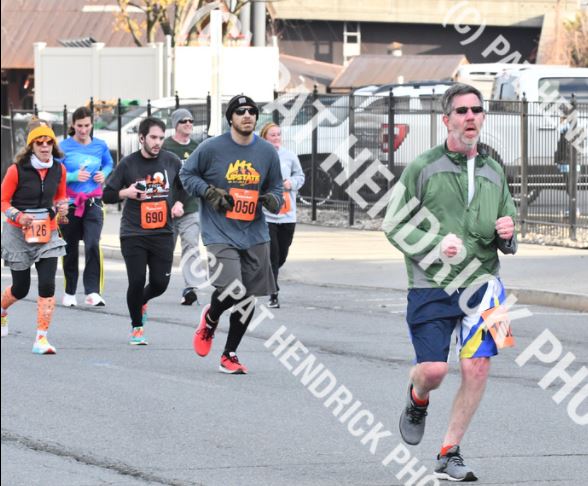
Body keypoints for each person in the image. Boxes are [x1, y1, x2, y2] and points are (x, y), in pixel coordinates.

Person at [382, 83, 517, 482]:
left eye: (476, 110)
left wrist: (508, 233)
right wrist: (436, 245)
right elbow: (393, 224)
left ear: (483, 117)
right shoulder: (422, 166)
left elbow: (508, 229)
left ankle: (449, 452)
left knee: (478, 368)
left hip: (486, 284)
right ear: (446, 120)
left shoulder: (494, 170)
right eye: (461, 111)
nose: (470, 116)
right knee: (434, 371)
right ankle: (417, 397)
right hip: (431, 282)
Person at [180, 95, 283, 374]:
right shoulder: (211, 148)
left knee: (248, 297)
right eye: (240, 111)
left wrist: (272, 199)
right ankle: (211, 318)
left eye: (251, 111)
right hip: (219, 231)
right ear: (231, 119)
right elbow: (187, 175)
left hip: (255, 232)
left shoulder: (266, 152)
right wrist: (209, 192)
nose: (247, 115)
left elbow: (276, 187)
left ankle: (230, 354)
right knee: (232, 287)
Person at [103, 117, 185, 345]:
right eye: (153, 137)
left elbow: (185, 186)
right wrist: (125, 193)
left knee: (160, 284)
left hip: (163, 233)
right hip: (134, 233)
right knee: (137, 280)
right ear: (141, 138)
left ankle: (141, 301)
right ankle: (137, 327)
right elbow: (107, 194)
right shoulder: (128, 164)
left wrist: (179, 203)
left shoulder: (171, 161)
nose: (157, 142)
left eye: (161, 138)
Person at [0, 121, 69, 353]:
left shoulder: (59, 169)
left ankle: (41, 339)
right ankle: (2, 309)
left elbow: (60, 196)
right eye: (39, 143)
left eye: (49, 142)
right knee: (21, 288)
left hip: (47, 231)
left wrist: (62, 207)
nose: (45, 146)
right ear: (32, 146)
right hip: (18, 232)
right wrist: (18, 216)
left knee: (48, 283)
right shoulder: (16, 170)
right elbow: (3, 201)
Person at [59, 106, 114, 307]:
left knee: (92, 244)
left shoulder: (100, 145)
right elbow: (55, 173)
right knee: (70, 248)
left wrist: (103, 174)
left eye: (87, 125)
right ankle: (69, 292)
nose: (83, 130)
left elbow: (109, 164)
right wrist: (73, 176)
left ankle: (92, 291)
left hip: (93, 202)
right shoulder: (63, 146)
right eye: (80, 126)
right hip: (70, 204)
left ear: (92, 124)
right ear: (73, 125)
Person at [259, 122, 305, 309]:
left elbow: (300, 176)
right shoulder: (260, 156)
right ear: (264, 137)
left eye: (278, 134)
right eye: (273, 135)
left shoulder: (289, 156)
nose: (276, 138)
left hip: (287, 214)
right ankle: (274, 293)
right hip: (267, 215)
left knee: (282, 255)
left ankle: (267, 274)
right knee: (273, 254)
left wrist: (291, 183)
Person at [162, 108, 202, 305]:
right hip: (166, 208)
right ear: (175, 124)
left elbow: (199, 176)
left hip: (190, 206)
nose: (188, 124)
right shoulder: (165, 147)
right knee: (164, 249)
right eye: (184, 121)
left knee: (191, 246)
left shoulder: (197, 147)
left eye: (191, 121)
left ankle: (190, 288)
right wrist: (170, 203)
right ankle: (157, 282)